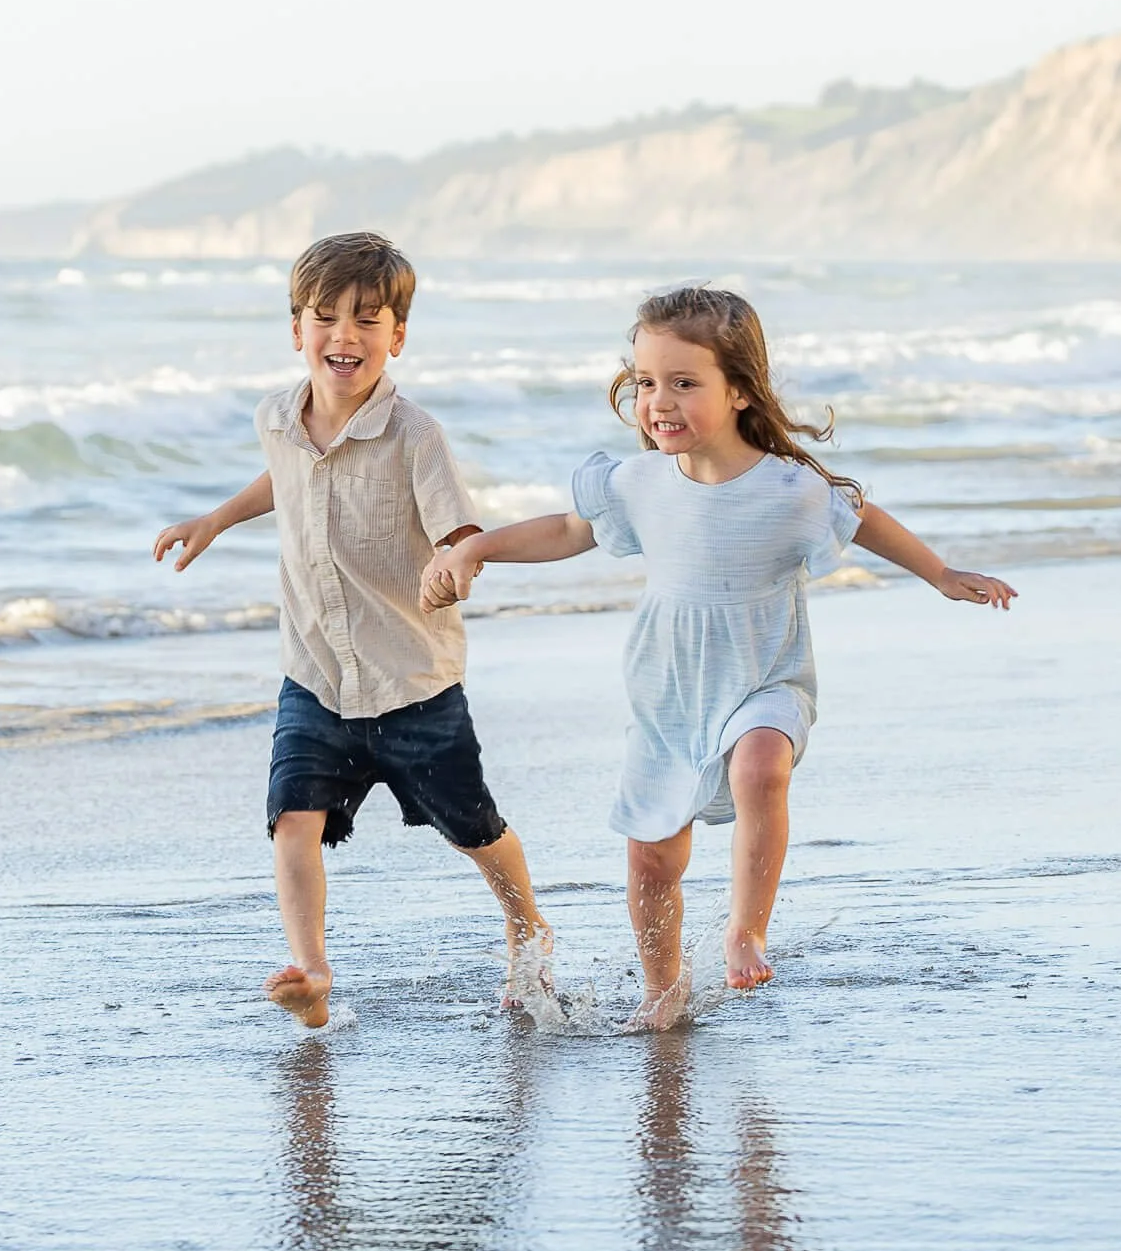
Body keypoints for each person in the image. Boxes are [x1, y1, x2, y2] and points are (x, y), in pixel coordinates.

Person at [420, 284, 1015, 1029]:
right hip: (668, 695)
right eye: (645, 382)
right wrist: (480, 546)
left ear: (738, 390)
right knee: (651, 862)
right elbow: (568, 531)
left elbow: (858, 515)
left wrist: (940, 573)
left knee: (760, 764)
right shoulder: (636, 482)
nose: (658, 401)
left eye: (683, 382)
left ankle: (746, 928)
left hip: (765, 679)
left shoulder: (787, 487)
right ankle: (663, 992)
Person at [154, 231, 551, 1028]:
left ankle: (525, 917)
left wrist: (457, 563)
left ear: (397, 336)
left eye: (368, 321)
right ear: (296, 329)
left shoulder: (417, 436)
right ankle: (312, 969)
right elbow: (291, 474)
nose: (345, 335)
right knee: (292, 816)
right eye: (325, 317)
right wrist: (218, 518)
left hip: (412, 682)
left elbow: (455, 529)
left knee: (472, 827)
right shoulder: (277, 416)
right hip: (316, 675)